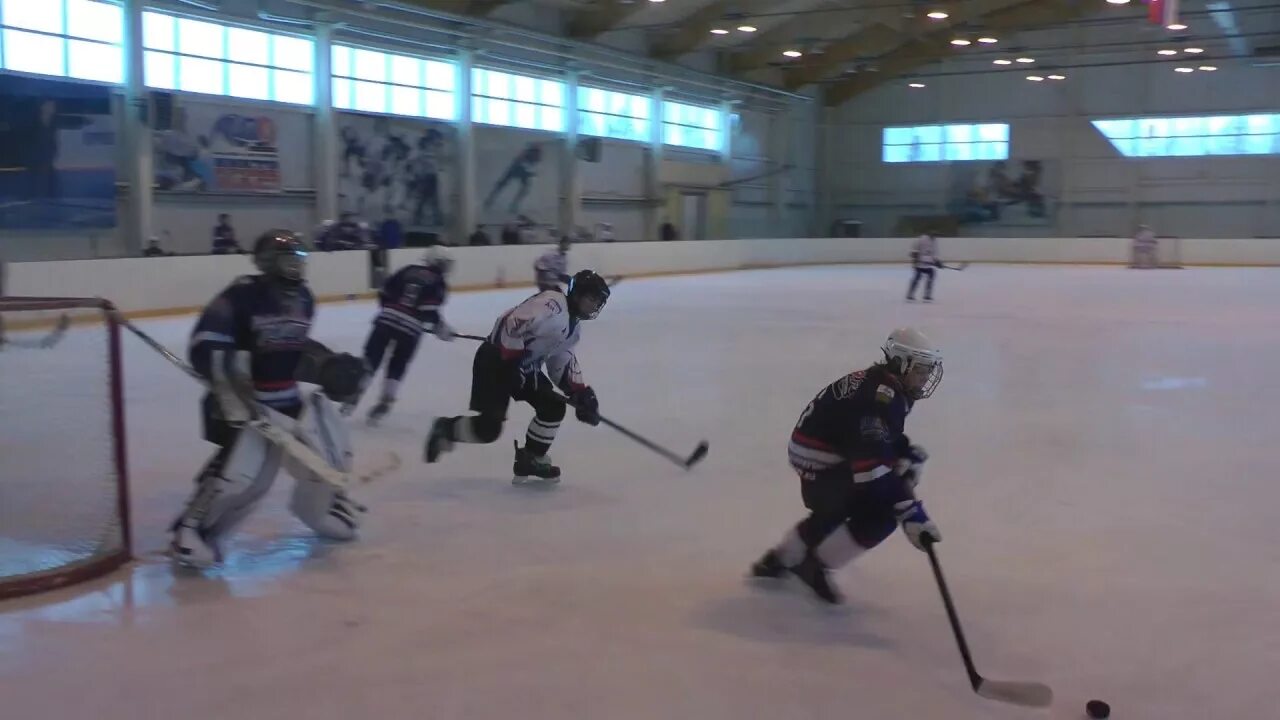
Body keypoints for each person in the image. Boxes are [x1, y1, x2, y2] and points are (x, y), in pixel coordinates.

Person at [171, 230, 369, 569]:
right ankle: (192, 529)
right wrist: (229, 368)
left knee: (329, 460)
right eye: (289, 260)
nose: (296, 267)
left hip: (288, 399)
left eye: (300, 260)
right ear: (267, 262)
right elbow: (205, 344)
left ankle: (324, 509)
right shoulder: (241, 296)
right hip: (245, 404)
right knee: (243, 481)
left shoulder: (304, 298)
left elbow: (294, 348)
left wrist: (328, 367)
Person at [749, 328, 943, 604]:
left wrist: (902, 451)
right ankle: (811, 567)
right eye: (922, 369)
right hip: (820, 462)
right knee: (879, 512)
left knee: (840, 507)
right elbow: (871, 468)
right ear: (901, 363)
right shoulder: (879, 399)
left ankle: (782, 558)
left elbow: (876, 438)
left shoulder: (884, 387)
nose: (926, 377)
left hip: (824, 455)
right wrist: (909, 509)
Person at [424, 270, 612, 485]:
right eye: (591, 299)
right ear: (577, 294)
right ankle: (446, 429)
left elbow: (560, 360)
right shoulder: (552, 304)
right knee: (488, 430)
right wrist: (512, 361)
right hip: (496, 360)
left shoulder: (573, 329)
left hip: (523, 368)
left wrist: (579, 392)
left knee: (553, 408)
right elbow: (512, 322)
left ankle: (530, 458)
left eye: (598, 302)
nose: (594, 306)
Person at [345, 246, 455, 425]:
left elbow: (384, 292)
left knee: (371, 359)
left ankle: (356, 390)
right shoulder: (439, 283)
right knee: (398, 363)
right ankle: (387, 398)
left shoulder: (408, 270)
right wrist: (441, 329)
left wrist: (390, 311)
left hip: (386, 319)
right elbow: (429, 311)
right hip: (411, 329)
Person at [906, 233, 940, 303]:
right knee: (917, 278)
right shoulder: (921, 239)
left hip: (928, 265)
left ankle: (927, 295)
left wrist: (937, 262)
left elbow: (934, 254)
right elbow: (913, 252)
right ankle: (910, 294)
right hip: (919, 264)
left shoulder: (934, 241)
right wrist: (915, 259)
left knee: (931, 275)